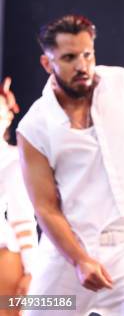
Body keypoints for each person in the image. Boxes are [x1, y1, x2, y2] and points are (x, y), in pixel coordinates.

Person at [17, 15, 124, 316]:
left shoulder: (122, 81)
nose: (82, 65)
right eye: (69, 57)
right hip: (68, 251)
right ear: (48, 64)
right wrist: (78, 260)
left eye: (88, 54)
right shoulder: (33, 126)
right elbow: (45, 207)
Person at [0, 78, 38, 316]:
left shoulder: (15, 160)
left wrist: (31, 270)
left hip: (5, 254)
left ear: (8, 117)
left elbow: (23, 218)